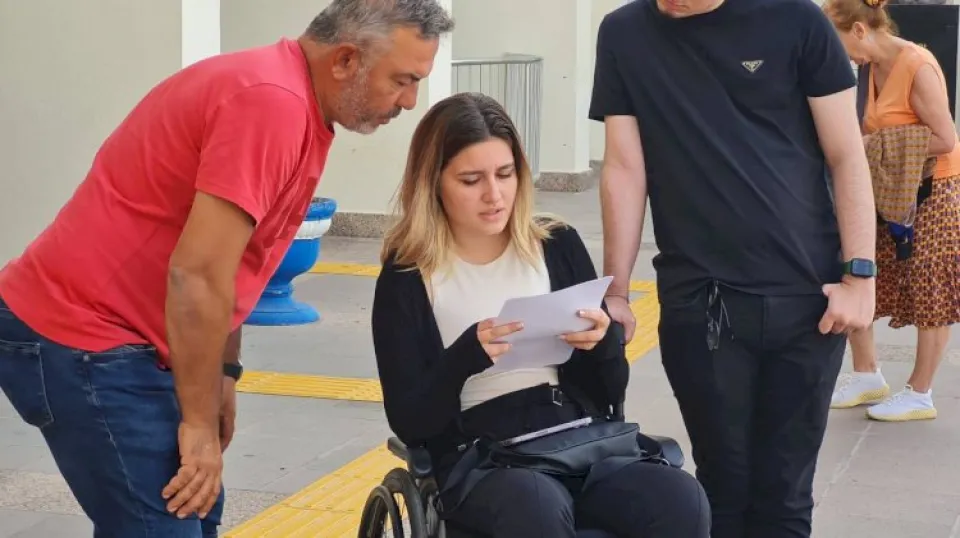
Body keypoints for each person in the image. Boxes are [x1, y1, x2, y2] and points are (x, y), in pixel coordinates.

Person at [0, 1, 453, 536]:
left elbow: (235, 264)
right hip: (84, 336)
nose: (409, 102)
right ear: (346, 60)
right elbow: (198, 275)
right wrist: (196, 424)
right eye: (403, 81)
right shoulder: (273, 104)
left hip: (128, 337)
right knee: (167, 521)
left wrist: (223, 375)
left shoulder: (292, 99)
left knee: (194, 513)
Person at [590, 0, 878, 537]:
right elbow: (625, 168)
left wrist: (859, 276)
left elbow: (846, 155)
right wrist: (618, 292)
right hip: (701, 302)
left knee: (785, 497)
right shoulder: (624, 33)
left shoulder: (798, 20)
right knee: (721, 490)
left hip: (808, 301)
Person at [371, 92, 711, 538]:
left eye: (505, 174)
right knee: (535, 505)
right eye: (471, 180)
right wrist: (465, 357)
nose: (494, 195)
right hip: (481, 452)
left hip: (573, 434)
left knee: (679, 499)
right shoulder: (409, 276)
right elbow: (411, 421)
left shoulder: (556, 244)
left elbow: (608, 393)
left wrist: (602, 343)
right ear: (433, 183)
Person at [824, 0, 960, 421]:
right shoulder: (868, 68)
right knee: (858, 266)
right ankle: (867, 375)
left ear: (860, 30)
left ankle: (920, 393)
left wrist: (874, 146)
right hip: (887, 185)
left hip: (933, 189)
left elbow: (946, 138)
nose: (842, 55)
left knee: (928, 284)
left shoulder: (916, 65)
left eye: (840, 43)